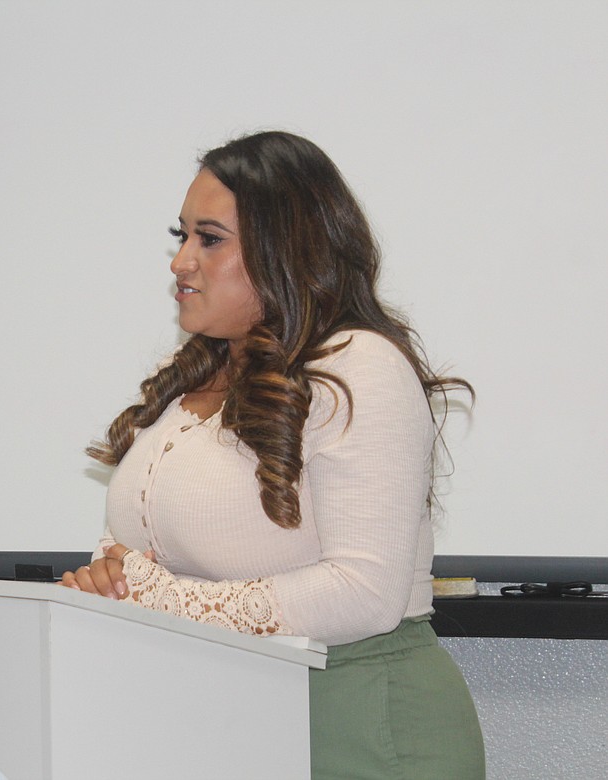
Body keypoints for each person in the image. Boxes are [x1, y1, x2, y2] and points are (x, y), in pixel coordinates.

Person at [59, 131, 485, 779]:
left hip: (357, 719)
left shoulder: (358, 365)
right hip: (230, 718)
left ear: (287, 248)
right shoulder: (190, 381)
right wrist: (109, 581)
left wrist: (159, 599)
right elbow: (148, 560)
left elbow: (365, 593)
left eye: (210, 238)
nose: (182, 262)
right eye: (181, 237)